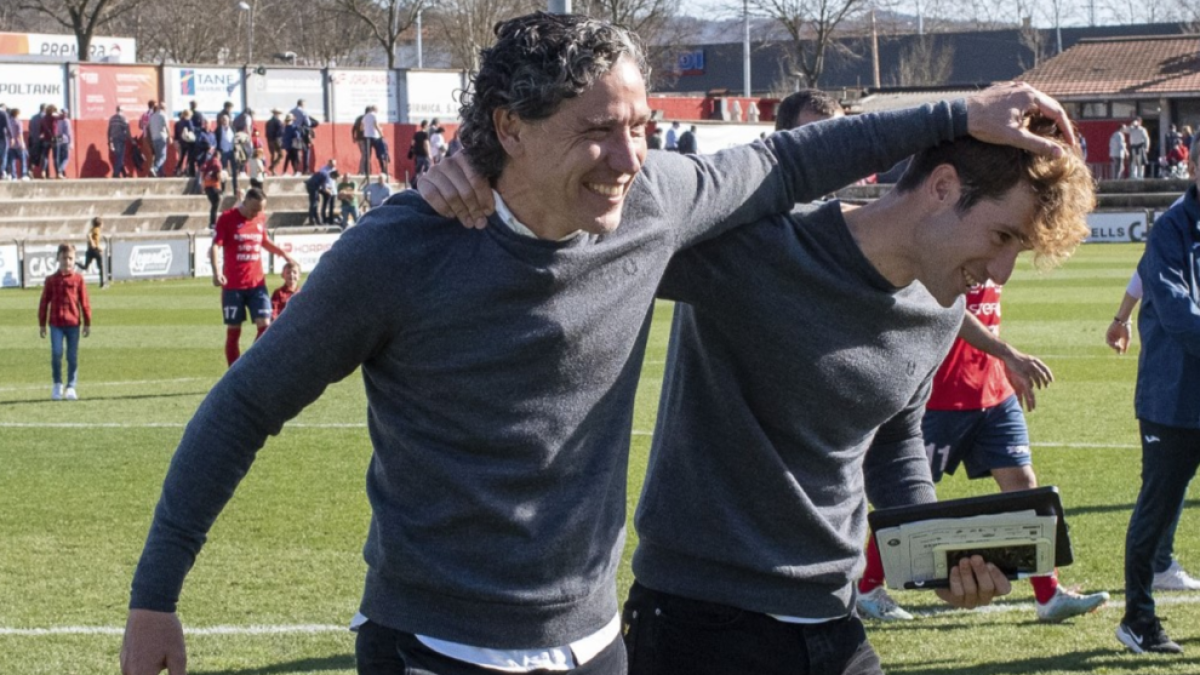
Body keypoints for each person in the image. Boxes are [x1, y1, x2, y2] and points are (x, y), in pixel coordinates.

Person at [119, 12, 1074, 675]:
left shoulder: (653, 205)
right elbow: (244, 406)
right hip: (436, 643)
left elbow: (785, 160)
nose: (628, 160)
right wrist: (156, 595)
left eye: (641, 128)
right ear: (508, 129)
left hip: (598, 644)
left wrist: (959, 113)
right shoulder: (403, 250)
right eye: (597, 132)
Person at [620, 118, 1092, 675]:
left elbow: (894, 437)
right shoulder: (764, 244)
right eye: (1003, 236)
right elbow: (614, 210)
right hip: (698, 624)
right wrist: (489, 168)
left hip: (832, 622)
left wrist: (935, 556)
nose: (1002, 272)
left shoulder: (940, 312)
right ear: (942, 188)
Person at [855, 284, 1109, 623]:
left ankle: (1048, 596)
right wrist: (1008, 353)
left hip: (993, 392)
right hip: (941, 397)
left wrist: (1003, 366)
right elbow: (950, 310)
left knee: (1024, 488)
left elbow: (987, 314)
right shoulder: (948, 242)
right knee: (905, 505)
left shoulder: (994, 246)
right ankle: (868, 588)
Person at [1116, 136, 1200, 655]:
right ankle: (1138, 620)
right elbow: (1174, 311)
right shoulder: (1171, 228)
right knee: (1156, 510)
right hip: (1174, 400)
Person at [1105, 269, 1200, 594]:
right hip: (1171, 385)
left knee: (1170, 479)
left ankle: (1158, 566)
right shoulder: (1177, 225)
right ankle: (1153, 577)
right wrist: (1122, 318)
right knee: (1165, 481)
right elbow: (1144, 273)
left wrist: (1122, 318)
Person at [207, 188, 295, 367]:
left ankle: (249, 366)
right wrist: (217, 272)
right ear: (244, 201)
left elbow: (263, 241)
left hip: (257, 284)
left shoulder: (260, 218)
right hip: (233, 286)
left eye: (260, 210)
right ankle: (234, 374)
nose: (256, 213)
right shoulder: (227, 218)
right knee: (234, 330)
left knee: (265, 326)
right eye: (253, 209)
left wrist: (283, 254)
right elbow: (215, 246)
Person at [38, 243, 92, 401]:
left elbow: (85, 302)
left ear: (74, 260)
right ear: (58, 258)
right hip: (55, 324)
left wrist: (87, 322)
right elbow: (44, 302)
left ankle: (71, 386)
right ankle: (57, 384)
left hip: (73, 324)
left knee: (72, 355)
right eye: (64, 258)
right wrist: (42, 323)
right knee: (56, 353)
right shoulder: (51, 280)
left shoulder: (78, 280)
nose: (67, 261)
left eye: (70, 258)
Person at [198, 148, 224, 228]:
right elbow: (219, 175)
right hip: (214, 186)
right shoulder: (217, 163)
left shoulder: (207, 162)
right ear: (218, 155)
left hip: (207, 186)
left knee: (213, 205)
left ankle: (212, 223)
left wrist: (202, 187)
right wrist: (222, 184)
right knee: (215, 205)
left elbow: (202, 174)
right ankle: (213, 223)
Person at [79, 217, 106, 288]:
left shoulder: (93, 229)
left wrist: (92, 242)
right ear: (100, 224)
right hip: (94, 250)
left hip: (89, 251)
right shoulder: (97, 230)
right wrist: (98, 247)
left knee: (85, 267)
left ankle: (75, 263)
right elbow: (92, 239)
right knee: (101, 267)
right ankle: (102, 284)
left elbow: (89, 236)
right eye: (102, 223)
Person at [147, 102, 170, 178]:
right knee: (163, 157)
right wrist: (170, 137)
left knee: (158, 157)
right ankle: (154, 168)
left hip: (154, 138)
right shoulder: (164, 115)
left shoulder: (152, 116)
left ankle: (161, 174)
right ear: (164, 108)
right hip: (161, 137)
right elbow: (167, 127)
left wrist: (150, 140)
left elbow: (148, 129)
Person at [107, 107, 130, 178]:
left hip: (113, 140)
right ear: (122, 111)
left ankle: (124, 173)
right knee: (120, 157)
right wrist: (131, 139)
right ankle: (116, 173)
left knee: (118, 156)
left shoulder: (112, 118)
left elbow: (109, 131)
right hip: (121, 140)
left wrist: (109, 141)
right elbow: (127, 129)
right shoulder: (123, 118)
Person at [6, 108, 27, 180]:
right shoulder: (18, 122)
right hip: (18, 143)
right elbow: (20, 133)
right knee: (23, 159)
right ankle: (23, 175)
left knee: (12, 161)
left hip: (10, 144)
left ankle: (13, 176)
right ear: (17, 114)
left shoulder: (8, 121)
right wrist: (23, 143)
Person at [409, 119, 431, 188]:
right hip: (425, 155)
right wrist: (429, 154)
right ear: (425, 125)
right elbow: (426, 144)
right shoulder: (425, 134)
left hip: (418, 155)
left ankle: (414, 183)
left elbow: (412, 143)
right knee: (428, 170)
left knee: (418, 171)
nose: (428, 127)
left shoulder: (416, 134)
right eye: (427, 125)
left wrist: (412, 150)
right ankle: (426, 184)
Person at [265, 108, 284, 175]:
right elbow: (281, 132)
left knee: (272, 154)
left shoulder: (268, 122)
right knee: (281, 155)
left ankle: (272, 170)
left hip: (270, 140)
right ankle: (272, 167)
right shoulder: (278, 122)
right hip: (276, 140)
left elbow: (266, 133)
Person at [54, 108, 71, 178]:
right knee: (66, 157)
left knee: (58, 157)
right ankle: (60, 171)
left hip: (56, 138)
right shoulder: (66, 121)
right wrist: (70, 142)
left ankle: (60, 173)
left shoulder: (56, 120)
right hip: (64, 138)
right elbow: (68, 133)